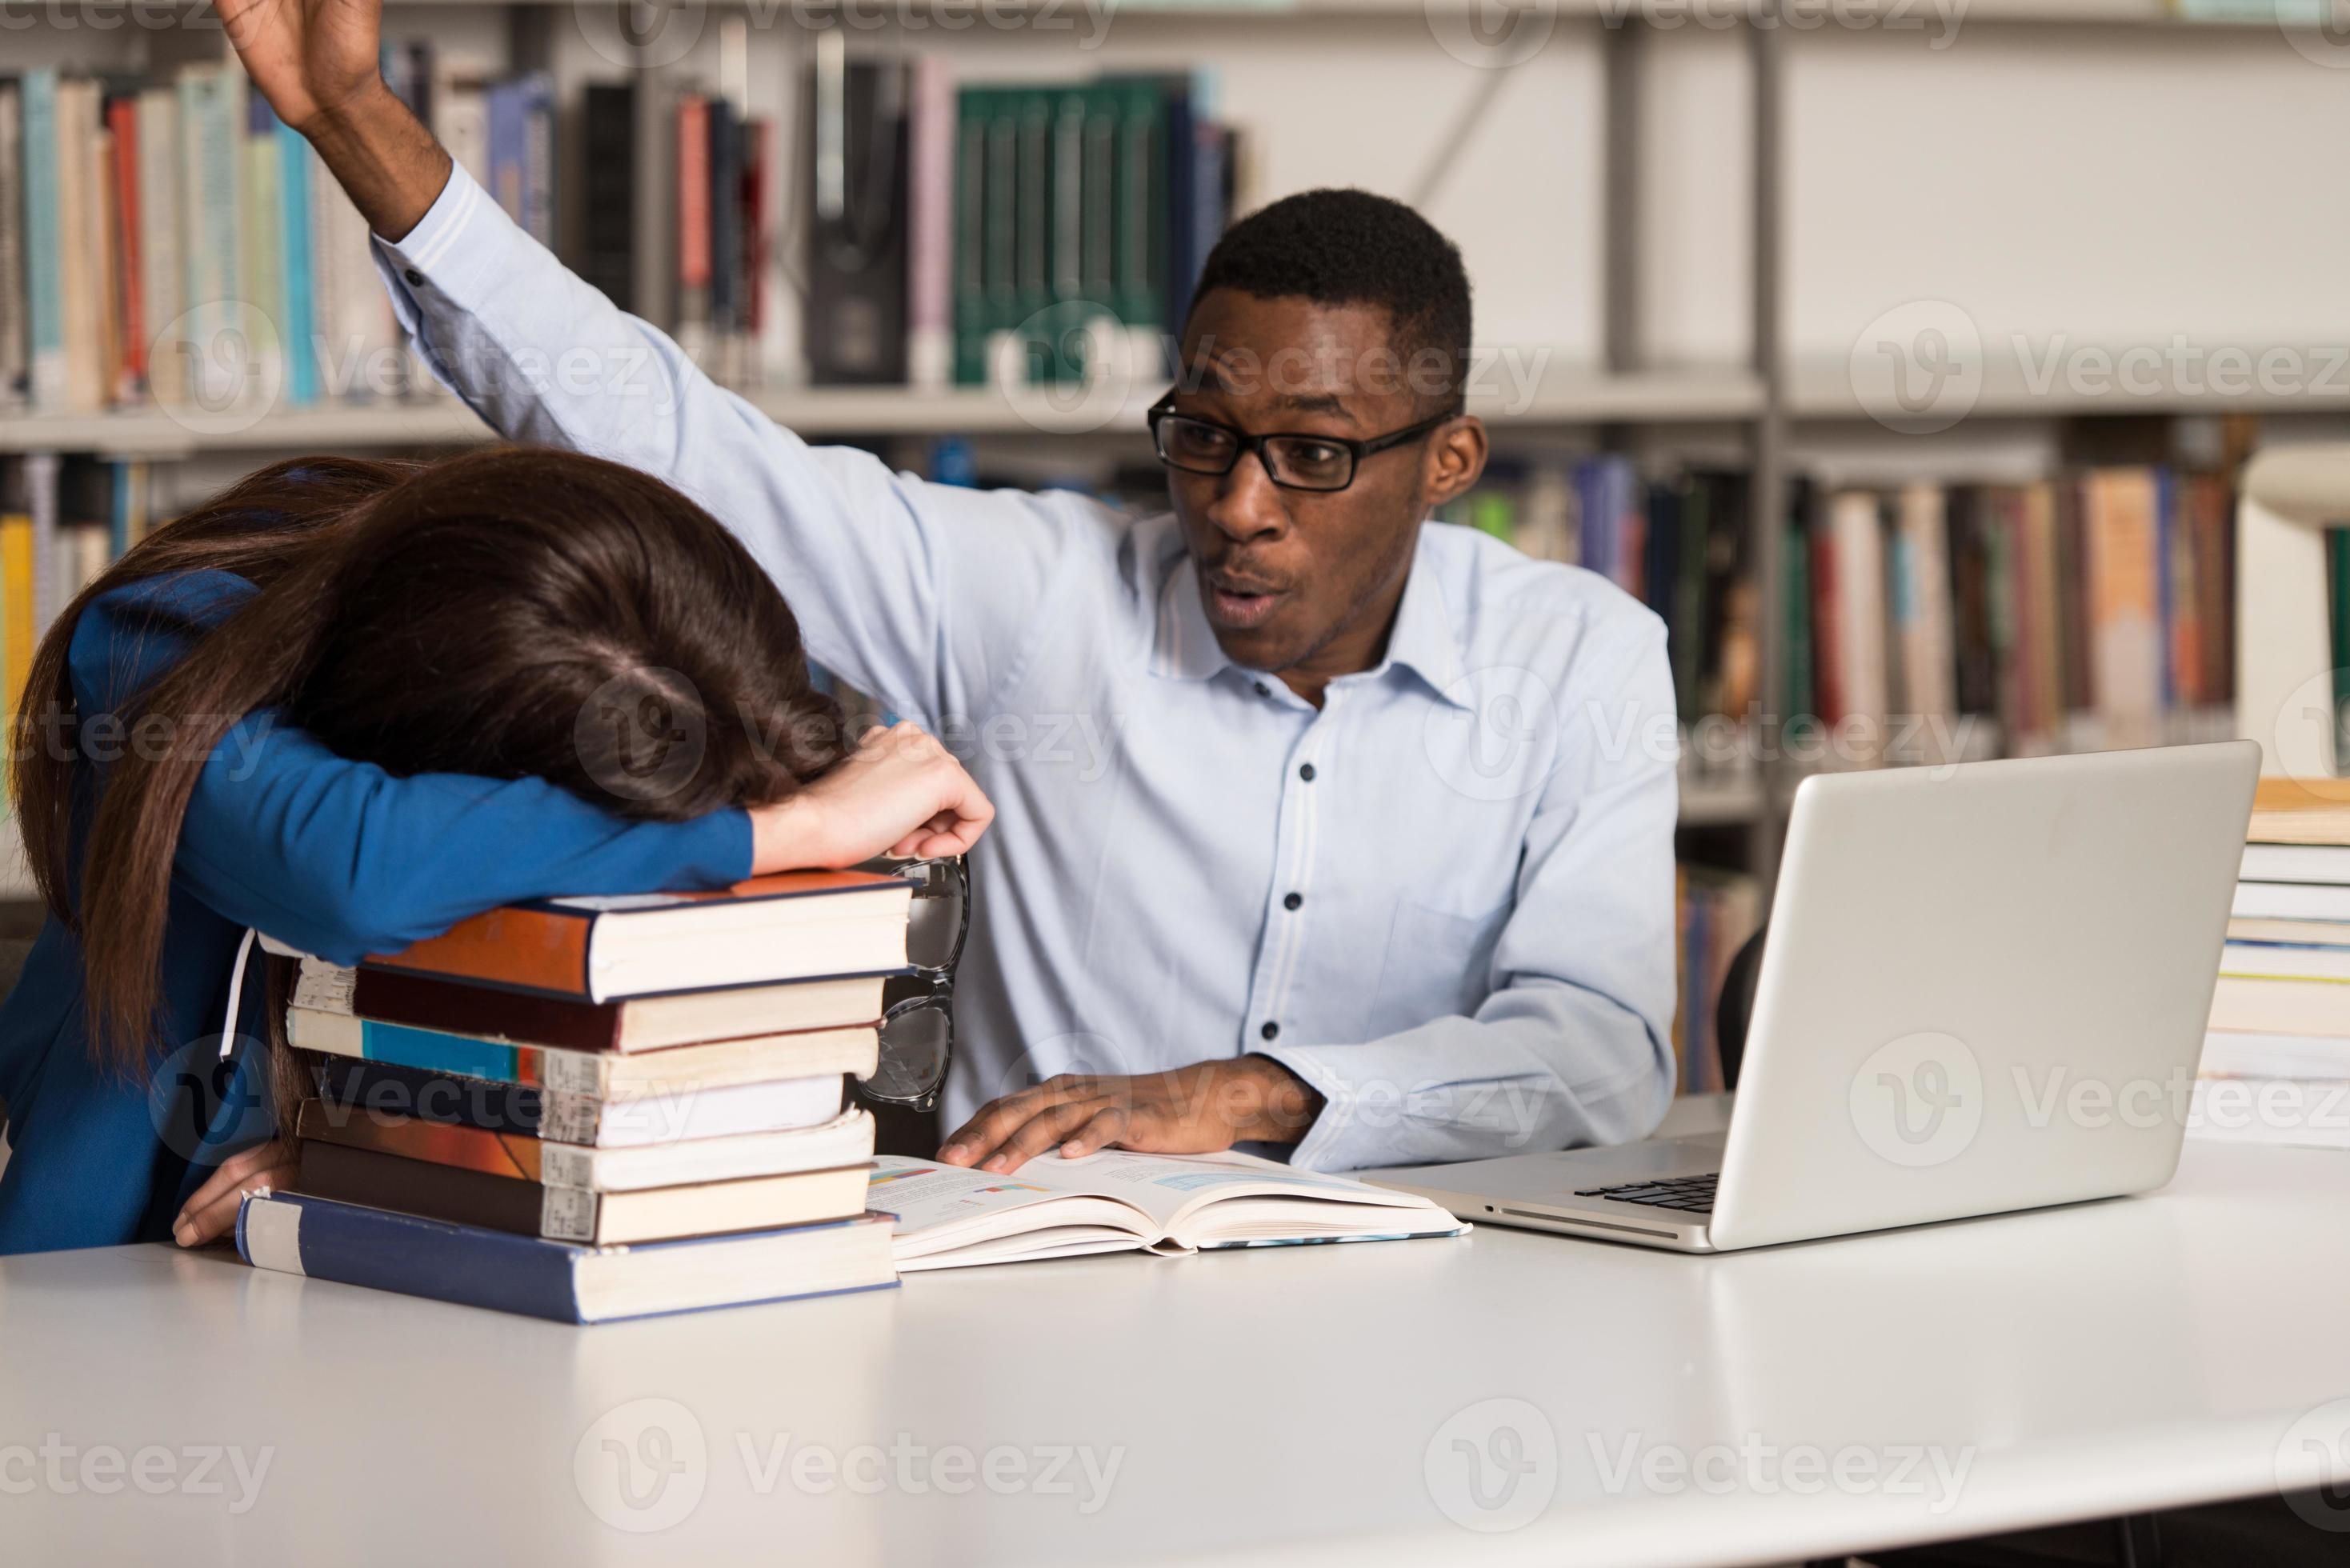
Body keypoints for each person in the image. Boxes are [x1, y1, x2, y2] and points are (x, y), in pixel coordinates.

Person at [224, 0, 1680, 1174]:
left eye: (1312, 456)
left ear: (1449, 462)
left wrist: (1248, 1099)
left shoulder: (1580, 662)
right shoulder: (1038, 595)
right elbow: (680, 447)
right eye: (1205, 438)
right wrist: (358, 125)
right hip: (1044, 1320)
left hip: (1419, 1322)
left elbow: (1599, 1051)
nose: (1239, 508)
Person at [0, 448, 993, 1254]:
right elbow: (356, 872)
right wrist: (789, 833)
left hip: (396, 1250)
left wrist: (398, 1159)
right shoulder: (170, 635)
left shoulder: (660, 648)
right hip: (101, 1287)